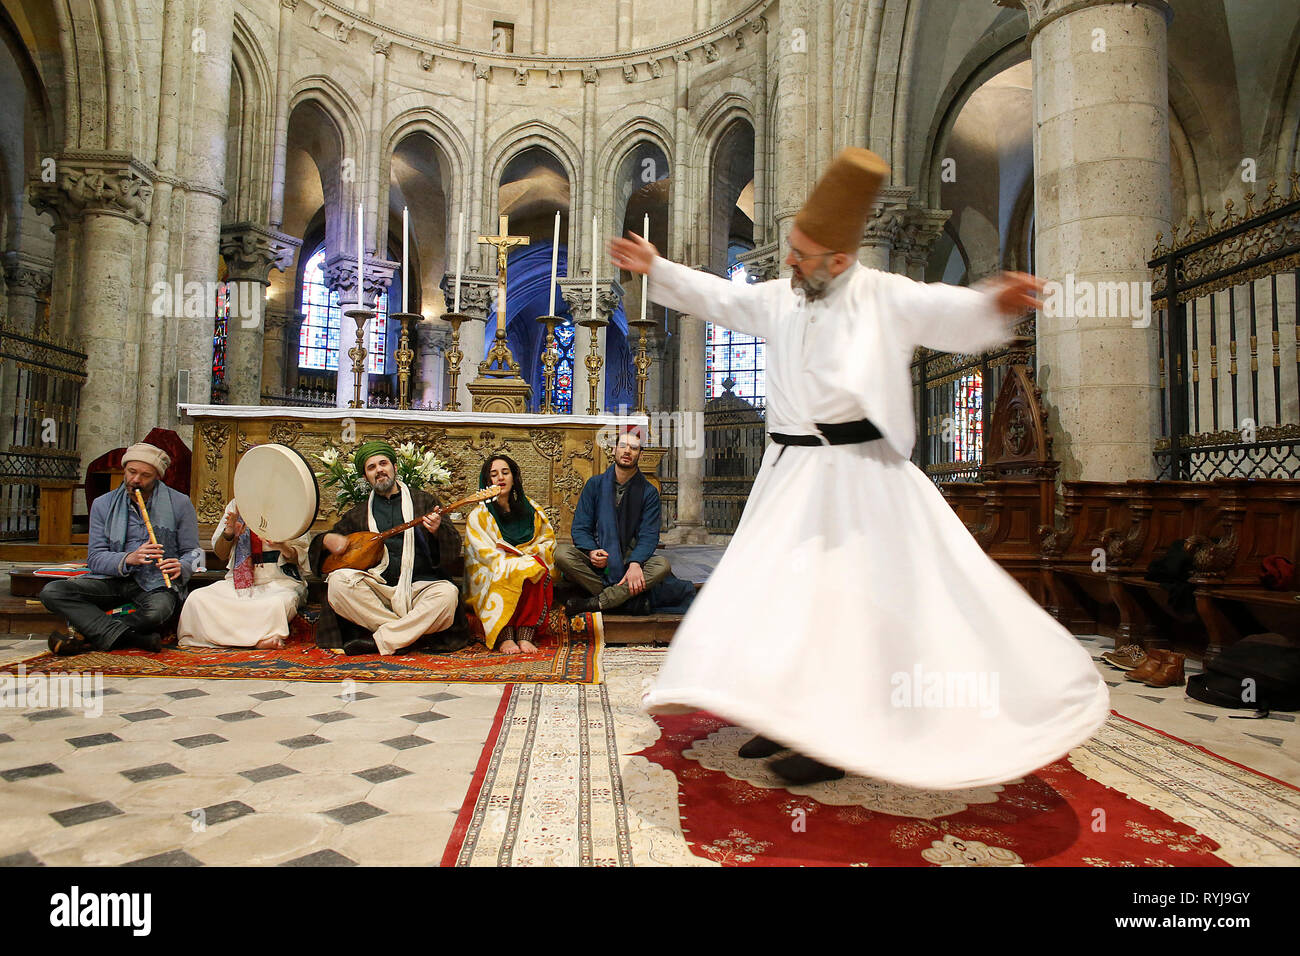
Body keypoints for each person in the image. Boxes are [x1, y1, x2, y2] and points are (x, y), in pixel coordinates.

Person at [610, 147, 1109, 789]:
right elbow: (719, 300)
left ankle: (831, 737)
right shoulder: (779, 296)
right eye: (790, 247)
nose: (789, 260)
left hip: (859, 478)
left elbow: (944, 310)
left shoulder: (882, 294)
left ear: (840, 259)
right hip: (789, 476)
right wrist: (657, 268)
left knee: (844, 608)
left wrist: (995, 301)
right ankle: (781, 715)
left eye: (803, 253)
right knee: (777, 598)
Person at [308, 440, 469, 656]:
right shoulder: (358, 514)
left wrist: (437, 531)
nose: (379, 470)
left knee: (447, 594)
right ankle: (407, 635)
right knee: (338, 583)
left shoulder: (423, 501)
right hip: (377, 591)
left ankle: (381, 640)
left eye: (383, 463)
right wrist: (327, 539)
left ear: (394, 467)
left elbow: (452, 549)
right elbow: (324, 551)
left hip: (418, 588)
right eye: (371, 467)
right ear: (366, 477)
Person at [43, 441, 201, 655]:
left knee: (158, 612)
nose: (136, 479)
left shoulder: (180, 503)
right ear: (124, 470)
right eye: (131, 472)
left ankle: (86, 631)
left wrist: (182, 566)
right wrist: (129, 558)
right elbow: (95, 558)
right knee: (52, 592)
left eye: (145, 475)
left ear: (157, 477)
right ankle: (132, 638)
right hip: (110, 581)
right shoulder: (103, 504)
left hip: (155, 583)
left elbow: (196, 554)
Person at [555, 429, 673, 617]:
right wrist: (592, 551)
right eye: (623, 446)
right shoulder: (595, 484)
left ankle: (597, 602)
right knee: (561, 554)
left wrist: (635, 562)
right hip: (601, 561)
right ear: (613, 451)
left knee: (662, 566)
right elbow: (580, 527)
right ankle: (626, 600)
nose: (627, 451)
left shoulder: (648, 492)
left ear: (640, 455)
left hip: (629, 560)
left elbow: (649, 535)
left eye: (634, 448)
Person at [176, 500, 311, 649]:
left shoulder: (291, 503)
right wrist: (229, 533)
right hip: (238, 582)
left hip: (280, 582)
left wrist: (281, 546)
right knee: (197, 598)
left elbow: (301, 555)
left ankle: (259, 639)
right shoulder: (236, 504)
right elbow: (221, 554)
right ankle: (255, 640)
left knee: (276, 603)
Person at [464, 455, 556, 654]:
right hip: (492, 569)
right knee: (511, 570)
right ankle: (504, 637)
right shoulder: (479, 515)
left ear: (514, 477)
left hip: (527, 561)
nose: (500, 478)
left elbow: (547, 540)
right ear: (487, 481)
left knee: (535, 567)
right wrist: (511, 561)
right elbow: (481, 552)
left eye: (505, 473)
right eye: (494, 475)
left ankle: (525, 635)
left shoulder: (532, 509)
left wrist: (527, 556)